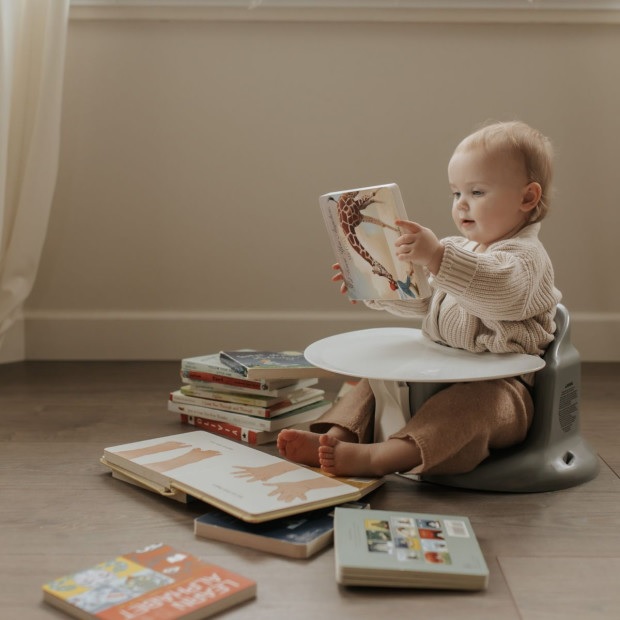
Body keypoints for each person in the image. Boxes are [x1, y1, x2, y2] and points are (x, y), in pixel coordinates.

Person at [277, 120, 562, 479]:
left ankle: (381, 457)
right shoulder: (458, 248)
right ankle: (337, 435)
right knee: (374, 380)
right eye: (455, 193)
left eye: (476, 193)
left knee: (470, 410)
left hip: (503, 389)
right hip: (439, 369)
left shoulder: (527, 257)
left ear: (527, 197)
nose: (461, 205)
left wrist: (438, 258)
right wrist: (380, 286)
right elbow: (425, 301)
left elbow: (501, 293)